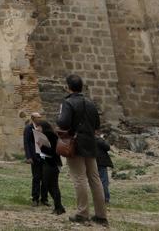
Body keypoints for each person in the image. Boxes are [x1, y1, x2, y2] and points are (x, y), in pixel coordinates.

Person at [57, 74, 107, 225]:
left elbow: (64, 123)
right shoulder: (90, 103)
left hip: (76, 144)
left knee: (79, 178)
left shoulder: (69, 102)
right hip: (90, 143)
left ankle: (82, 213)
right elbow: (97, 124)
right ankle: (101, 215)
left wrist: (58, 118)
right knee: (95, 178)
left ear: (68, 87)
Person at [32, 112, 66, 215]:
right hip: (46, 162)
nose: (37, 129)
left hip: (52, 164)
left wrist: (42, 147)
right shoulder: (45, 135)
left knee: (53, 186)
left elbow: (53, 152)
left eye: (39, 127)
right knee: (49, 185)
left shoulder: (52, 136)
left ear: (44, 127)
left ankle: (59, 207)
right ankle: (58, 206)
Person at [23, 113, 45, 206]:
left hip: (43, 155)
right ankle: (35, 199)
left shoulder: (42, 127)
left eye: (40, 117)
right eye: (38, 117)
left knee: (45, 178)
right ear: (33, 118)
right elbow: (26, 143)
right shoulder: (28, 128)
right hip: (34, 156)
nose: (39, 119)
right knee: (36, 177)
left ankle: (44, 199)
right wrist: (29, 157)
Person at [95, 134, 113, 203]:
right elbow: (107, 147)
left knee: (96, 181)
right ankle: (106, 199)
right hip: (101, 162)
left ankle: (98, 199)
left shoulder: (88, 138)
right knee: (104, 181)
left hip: (92, 162)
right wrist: (102, 139)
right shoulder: (98, 139)